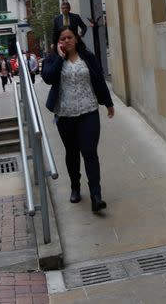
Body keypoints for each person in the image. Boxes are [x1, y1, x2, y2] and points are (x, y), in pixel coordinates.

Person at [42, 27, 114, 211]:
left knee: (89, 152)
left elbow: (98, 79)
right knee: (72, 153)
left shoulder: (87, 57)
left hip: (88, 111)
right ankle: (75, 186)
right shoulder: (52, 59)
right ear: (58, 41)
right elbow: (48, 78)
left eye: (69, 37)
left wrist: (108, 103)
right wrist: (59, 56)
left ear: (76, 39)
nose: (66, 41)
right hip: (65, 114)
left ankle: (96, 195)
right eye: (62, 38)